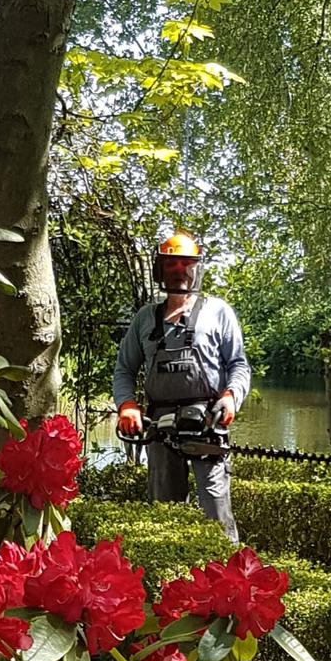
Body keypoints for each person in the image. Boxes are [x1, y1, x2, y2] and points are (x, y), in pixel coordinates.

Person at [113, 231, 250, 542]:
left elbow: (239, 365)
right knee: (164, 516)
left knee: (216, 513)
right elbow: (124, 369)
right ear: (160, 269)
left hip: (208, 426)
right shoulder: (145, 318)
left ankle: (226, 563)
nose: (179, 270)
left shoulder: (218, 312)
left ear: (196, 268)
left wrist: (231, 396)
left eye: (186, 264)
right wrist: (127, 405)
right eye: (171, 264)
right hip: (160, 429)